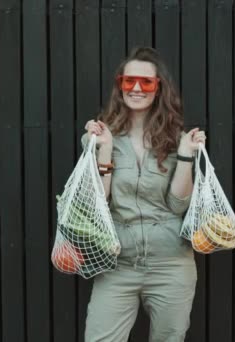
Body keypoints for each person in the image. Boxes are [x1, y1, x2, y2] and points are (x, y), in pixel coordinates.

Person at [81, 46, 207, 342]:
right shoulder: (98, 137)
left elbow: (178, 206)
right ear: (120, 84)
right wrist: (106, 148)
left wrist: (187, 156)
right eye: (129, 81)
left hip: (171, 264)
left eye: (146, 82)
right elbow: (100, 203)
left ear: (159, 89)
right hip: (117, 264)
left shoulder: (176, 140)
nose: (136, 88)